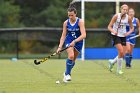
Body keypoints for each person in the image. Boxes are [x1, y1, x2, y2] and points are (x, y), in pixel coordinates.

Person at [56, 3, 86, 83]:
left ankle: (65, 73)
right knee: (71, 55)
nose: (70, 17)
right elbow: (63, 36)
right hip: (69, 41)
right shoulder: (66, 23)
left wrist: (75, 41)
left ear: (75, 14)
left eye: (72, 15)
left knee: (73, 61)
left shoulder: (80, 22)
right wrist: (59, 47)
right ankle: (68, 74)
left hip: (78, 42)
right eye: (69, 15)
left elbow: (84, 35)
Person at [108, 4, 134, 74]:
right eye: (123, 9)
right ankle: (119, 70)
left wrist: (128, 33)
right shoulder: (116, 16)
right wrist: (113, 31)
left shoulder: (128, 18)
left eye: (126, 10)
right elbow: (109, 27)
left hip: (123, 36)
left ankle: (112, 62)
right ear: (121, 9)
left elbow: (132, 28)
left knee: (122, 54)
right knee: (121, 51)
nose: (125, 11)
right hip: (115, 35)